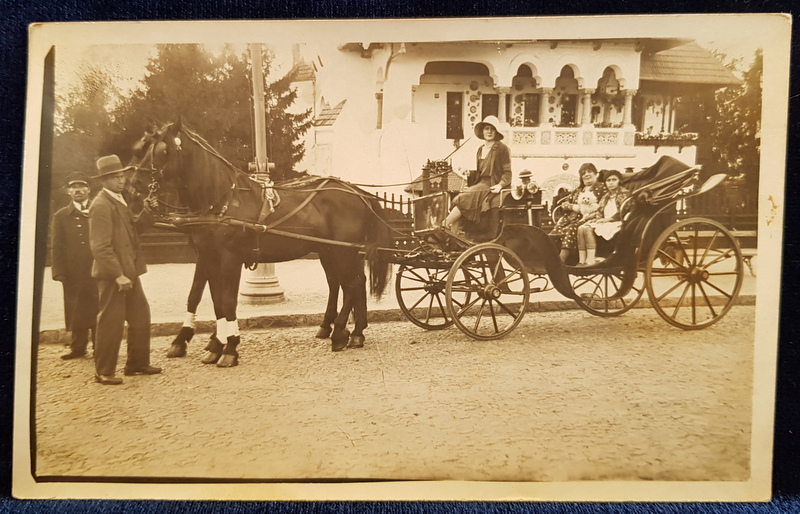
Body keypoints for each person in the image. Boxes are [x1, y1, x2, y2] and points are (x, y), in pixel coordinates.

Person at [89, 155, 160, 385]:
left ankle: (137, 363)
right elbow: (100, 247)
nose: (121, 180)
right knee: (111, 321)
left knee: (140, 316)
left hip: (129, 273)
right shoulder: (100, 205)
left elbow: (133, 230)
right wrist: (117, 274)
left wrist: (148, 212)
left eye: (121, 176)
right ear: (103, 180)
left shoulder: (117, 199)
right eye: (115, 177)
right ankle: (104, 371)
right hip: (115, 276)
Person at [52, 172, 98, 360]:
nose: (78, 190)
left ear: (89, 189)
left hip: (97, 268)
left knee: (98, 307)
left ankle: (100, 346)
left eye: (81, 186)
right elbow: (57, 246)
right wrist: (59, 271)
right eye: (73, 187)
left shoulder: (98, 209)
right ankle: (78, 347)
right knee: (77, 308)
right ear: (68, 191)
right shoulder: (61, 215)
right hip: (73, 271)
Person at [443, 115, 512, 231]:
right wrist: (468, 173)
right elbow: (482, 172)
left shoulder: (502, 148)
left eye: (492, 129)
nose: (489, 131)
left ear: (496, 132)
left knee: (463, 199)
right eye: (486, 128)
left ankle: (444, 224)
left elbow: (507, 172)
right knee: (458, 198)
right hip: (481, 183)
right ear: (483, 131)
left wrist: (500, 185)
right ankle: (453, 236)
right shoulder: (481, 149)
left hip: (491, 184)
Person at [549, 163, 608, 262]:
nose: (586, 174)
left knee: (571, 229)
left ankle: (561, 260)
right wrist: (573, 207)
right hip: (570, 218)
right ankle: (549, 255)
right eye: (583, 173)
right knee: (556, 230)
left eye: (589, 171)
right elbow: (564, 203)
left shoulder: (602, 188)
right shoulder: (578, 190)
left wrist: (588, 210)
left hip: (588, 218)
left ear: (595, 174)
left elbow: (604, 204)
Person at [576, 169, 631, 265]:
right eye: (608, 180)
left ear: (619, 181)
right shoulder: (606, 196)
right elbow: (599, 210)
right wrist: (595, 218)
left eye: (614, 180)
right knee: (582, 228)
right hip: (605, 221)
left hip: (617, 221)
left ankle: (591, 259)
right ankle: (582, 259)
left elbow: (625, 210)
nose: (611, 183)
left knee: (588, 229)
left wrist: (608, 219)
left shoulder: (624, 194)